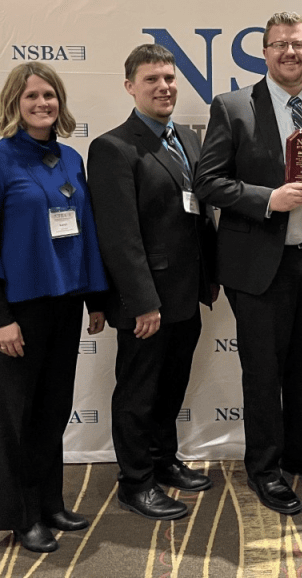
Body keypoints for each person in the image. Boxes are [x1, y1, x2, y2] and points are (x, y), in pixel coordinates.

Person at [193, 11, 302, 516]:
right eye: (280, 44)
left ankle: (300, 452)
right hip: (261, 268)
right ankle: (265, 468)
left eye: (299, 44)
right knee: (264, 374)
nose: (290, 52)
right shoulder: (233, 107)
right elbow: (208, 183)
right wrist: (270, 198)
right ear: (265, 52)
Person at [0, 62, 107, 553]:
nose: (42, 103)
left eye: (50, 95)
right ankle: (20, 516)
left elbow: (84, 234)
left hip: (64, 304)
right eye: (32, 96)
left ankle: (50, 503)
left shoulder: (70, 159)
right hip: (17, 311)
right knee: (17, 417)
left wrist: (95, 300)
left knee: (52, 410)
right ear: (14, 104)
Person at [87, 44, 219, 522]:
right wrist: (143, 302)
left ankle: (164, 461)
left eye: (169, 78)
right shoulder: (113, 147)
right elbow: (120, 236)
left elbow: (197, 213)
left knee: (171, 388)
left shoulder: (186, 139)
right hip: (146, 302)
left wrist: (210, 277)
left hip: (186, 292)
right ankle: (135, 482)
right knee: (138, 394)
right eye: (151, 79)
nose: (164, 87)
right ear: (130, 87)